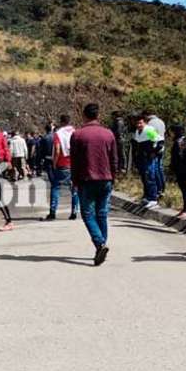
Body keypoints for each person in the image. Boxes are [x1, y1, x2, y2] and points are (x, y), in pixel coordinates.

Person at [70, 104, 117, 266]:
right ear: (98, 115)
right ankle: (101, 245)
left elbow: (74, 161)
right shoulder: (108, 134)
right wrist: (113, 177)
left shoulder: (78, 135)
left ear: (84, 115)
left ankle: (100, 244)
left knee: (87, 214)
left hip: (86, 179)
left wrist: (74, 181)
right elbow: (114, 159)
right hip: (105, 178)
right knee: (102, 213)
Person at [45, 115, 79, 221]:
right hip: (74, 164)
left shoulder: (58, 134)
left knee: (55, 187)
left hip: (62, 164)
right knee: (74, 188)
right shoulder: (75, 132)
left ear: (61, 122)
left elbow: (58, 150)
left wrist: (54, 163)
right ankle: (74, 212)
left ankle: (52, 212)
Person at [133, 115, 160, 209]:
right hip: (141, 157)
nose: (139, 125)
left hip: (148, 157)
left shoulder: (149, 130)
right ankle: (147, 196)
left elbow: (159, 141)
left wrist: (153, 152)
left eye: (141, 123)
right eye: (137, 123)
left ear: (145, 122)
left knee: (150, 176)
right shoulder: (137, 131)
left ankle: (153, 198)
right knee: (144, 177)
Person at [169, 125, 186, 220]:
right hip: (179, 168)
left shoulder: (182, 141)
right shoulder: (179, 140)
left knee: (185, 189)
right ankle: (185, 208)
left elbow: (181, 156)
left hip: (183, 169)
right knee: (183, 189)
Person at [146, 112, 166, 197]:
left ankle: (158, 188)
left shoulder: (150, 123)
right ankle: (162, 187)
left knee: (153, 169)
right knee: (160, 168)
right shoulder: (161, 121)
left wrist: (152, 151)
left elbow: (152, 138)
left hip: (154, 149)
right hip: (161, 147)